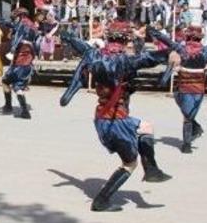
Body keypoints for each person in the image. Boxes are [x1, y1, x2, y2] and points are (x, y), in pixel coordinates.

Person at [60, 21, 172, 212]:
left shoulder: (93, 55)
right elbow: (149, 58)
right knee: (129, 163)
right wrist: (170, 53)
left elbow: (77, 43)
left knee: (146, 127)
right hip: (116, 119)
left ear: (107, 37)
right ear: (127, 40)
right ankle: (101, 201)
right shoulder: (125, 61)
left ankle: (152, 170)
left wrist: (65, 34)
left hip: (103, 118)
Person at [151, 24, 207, 153]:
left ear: (188, 37)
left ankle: (187, 144)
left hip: (185, 88)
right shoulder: (205, 51)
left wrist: (154, 32)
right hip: (197, 89)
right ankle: (194, 130)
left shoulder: (183, 50)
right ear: (200, 38)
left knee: (187, 115)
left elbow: (167, 41)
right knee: (188, 114)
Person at [0, 8, 39, 119]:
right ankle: (8, 105)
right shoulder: (31, 25)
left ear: (20, 16)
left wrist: (12, 49)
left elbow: (18, 35)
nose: (14, 19)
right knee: (6, 81)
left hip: (22, 60)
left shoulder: (23, 25)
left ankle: (24, 111)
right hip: (24, 60)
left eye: (15, 17)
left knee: (17, 85)